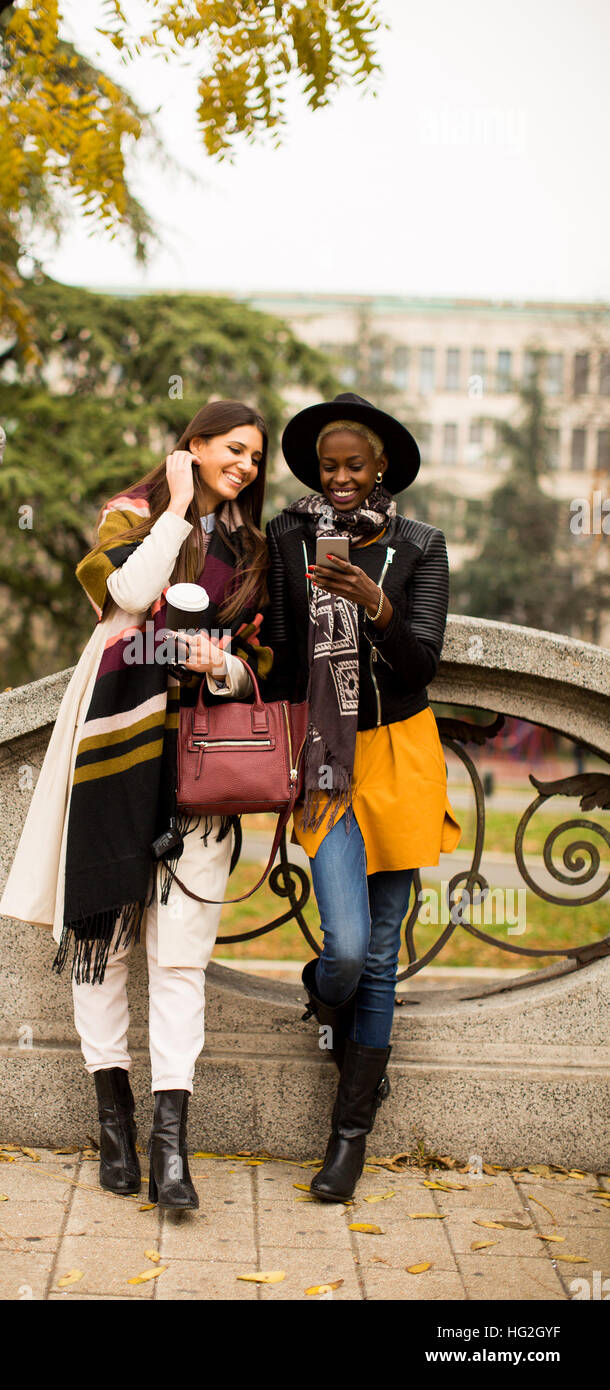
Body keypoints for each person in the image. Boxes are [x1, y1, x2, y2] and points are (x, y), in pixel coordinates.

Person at [0, 399, 272, 1211]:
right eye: (233, 449)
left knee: (180, 957)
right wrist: (179, 508)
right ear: (191, 448)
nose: (247, 466)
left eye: (255, 456)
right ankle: (112, 1121)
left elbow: (261, 668)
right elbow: (126, 591)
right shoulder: (131, 515)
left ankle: (171, 1147)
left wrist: (216, 664)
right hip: (116, 754)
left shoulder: (254, 553)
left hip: (200, 768)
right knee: (102, 944)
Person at [263, 391, 461, 1202]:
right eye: (328, 465)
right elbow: (278, 655)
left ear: (382, 468)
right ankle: (323, 994)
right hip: (326, 760)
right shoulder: (288, 536)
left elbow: (421, 667)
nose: (340, 476)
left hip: (403, 757)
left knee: (380, 956)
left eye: (355, 464)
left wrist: (373, 604)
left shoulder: (421, 545)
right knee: (345, 951)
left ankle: (349, 1137)